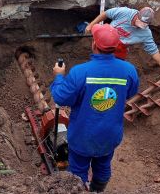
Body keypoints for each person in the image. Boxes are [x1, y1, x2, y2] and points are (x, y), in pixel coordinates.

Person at [50, 24, 139, 192]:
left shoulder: (80, 72)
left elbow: (61, 98)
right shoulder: (129, 70)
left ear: (94, 44)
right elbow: (130, 93)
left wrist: (59, 77)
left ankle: (78, 189)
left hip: (83, 135)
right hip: (110, 134)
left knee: (77, 171)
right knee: (104, 164)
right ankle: (97, 190)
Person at [85, 7, 160, 74]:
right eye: (139, 22)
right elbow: (106, 14)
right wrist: (91, 25)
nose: (139, 26)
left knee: (115, 68)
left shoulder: (145, 33)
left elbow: (153, 50)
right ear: (137, 15)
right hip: (106, 40)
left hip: (120, 48)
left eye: (143, 25)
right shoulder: (124, 12)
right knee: (99, 63)